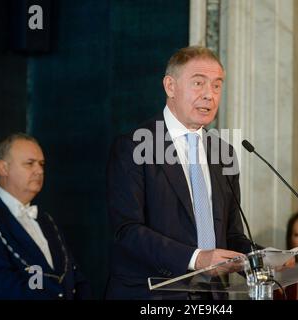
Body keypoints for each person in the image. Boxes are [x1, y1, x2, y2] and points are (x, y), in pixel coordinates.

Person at [105, 46, 256, 299]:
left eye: (217, 86)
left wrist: (261, 259)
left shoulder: (224, 153)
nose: (210, 95)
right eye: (199, 83)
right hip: (152, 295)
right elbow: (127, 230)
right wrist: (196, 258)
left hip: (212, 297)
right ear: (170, 86)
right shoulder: (134, 146)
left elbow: (231, 235)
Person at [0, 133, 91, 299]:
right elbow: (2, 289)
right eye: (30, 164)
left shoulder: (47, 221)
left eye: (41, 164)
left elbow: (76, 278)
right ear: (3, 168)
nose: (39, 170)